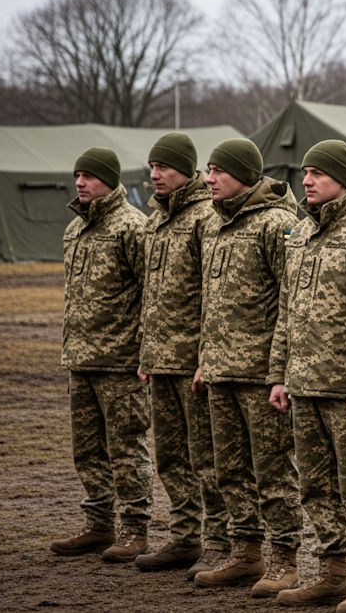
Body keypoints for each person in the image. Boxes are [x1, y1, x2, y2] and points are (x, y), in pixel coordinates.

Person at [264, 140, 346, 610]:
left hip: (344, 390)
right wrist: (280, 375)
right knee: (315, 486)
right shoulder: (298, 234)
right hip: (303, 384)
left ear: (343, 178)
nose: (307, 180)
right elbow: (287, 311)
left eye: (318, 172)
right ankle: (333, 573)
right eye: (305, 171)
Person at [191, 138, 302, 598]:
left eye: (217, 170)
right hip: (220, 372)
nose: (208, 178)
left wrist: (281, 371)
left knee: (273, 469)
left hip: (260, 375)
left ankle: (284, 557)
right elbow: (210, 302)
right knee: (229, 468)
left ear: (243, 175)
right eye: (207, 170)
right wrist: (204, 359)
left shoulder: (276, 225)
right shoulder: (215, 225)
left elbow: (291, 304)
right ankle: (245, 551)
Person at [132, 133, 230, 579]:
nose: (155, 175)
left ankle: (219, 541)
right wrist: (146, 351)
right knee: (169, 456)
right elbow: (150, 294)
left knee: (207, 457)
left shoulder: (204, 219)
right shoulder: (155, 221)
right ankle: (185, 536)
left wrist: (204, 358)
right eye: (152, 167)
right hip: (161, 360)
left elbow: (215, 296)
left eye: (164, 167)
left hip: (194, 362)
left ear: (187, 171)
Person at [51, 147, 153, 563]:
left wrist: (145, 352)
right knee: (87, 449)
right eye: (77, 175)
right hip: (81, 359)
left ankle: (135, 528)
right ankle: (98, 523)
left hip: (121, 363)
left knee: (126, 447)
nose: (81, 183)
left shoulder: (133, 227)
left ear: (110, 180)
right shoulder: (75, 229)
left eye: (90, 176)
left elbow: (152, 295)